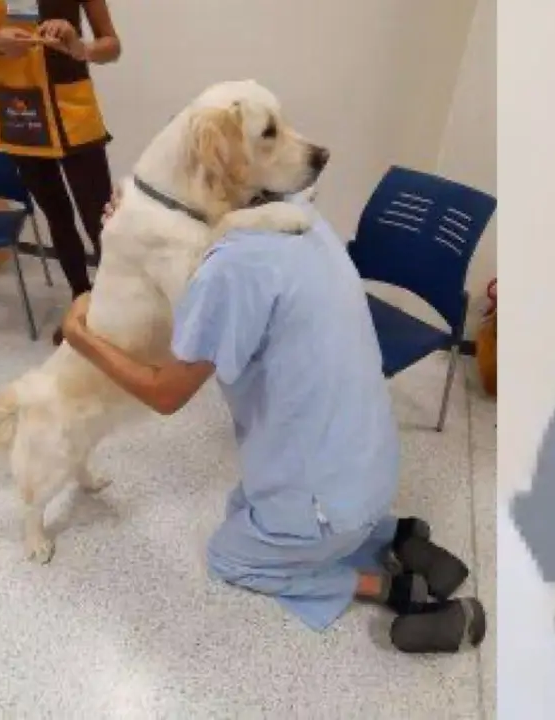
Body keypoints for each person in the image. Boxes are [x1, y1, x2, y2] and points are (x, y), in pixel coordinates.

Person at [61, 193, 487, 652]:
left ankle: (393, 591)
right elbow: (196, 273)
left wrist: (80, 337)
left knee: (229, 556)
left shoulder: (230, 268)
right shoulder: (303, 217)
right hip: (371, 466)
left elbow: (166, 392)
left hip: (330, 502)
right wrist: (139, 232)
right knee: (242, 506)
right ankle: (397, 537)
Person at [0, 0, 121, 345]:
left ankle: (115, 313)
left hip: (73, 111)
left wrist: (81, 48)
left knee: (100, 220)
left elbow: (112, 46)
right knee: (57, 218)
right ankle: (81, 304)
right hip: (21, 114)